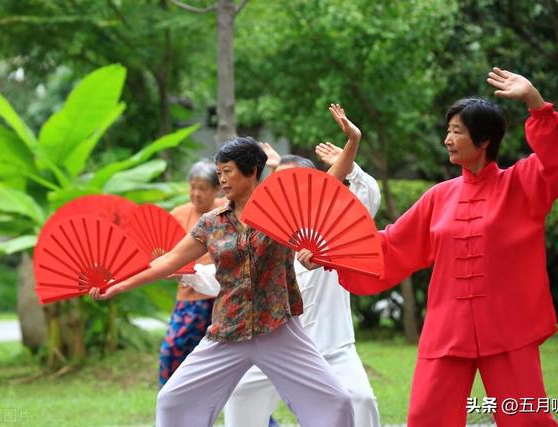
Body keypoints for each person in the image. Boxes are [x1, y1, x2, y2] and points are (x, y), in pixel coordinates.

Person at [316, 68, 558, 426]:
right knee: (427, 418)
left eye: (457, 131)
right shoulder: (439, 196)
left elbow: (553, 157)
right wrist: (331, 252)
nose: (447, 139)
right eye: (448, 131)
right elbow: (391, 246)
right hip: (447, 330)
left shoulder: (523, 185)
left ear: (483, 141)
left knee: (526, 420)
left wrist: (535, 102)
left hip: (509, 327)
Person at [90, 106, 360, 427]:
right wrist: (118, 284)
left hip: (278, 328)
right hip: (228, 332)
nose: (221, 179)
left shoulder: (282, 211)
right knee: (172, 400)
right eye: (219, 172)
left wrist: (353, 139)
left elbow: (330, 182)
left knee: (337, 401)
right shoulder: (211, 223)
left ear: (251, 173)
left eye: (227, 171)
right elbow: (169, 261)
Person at [224, 139, 382, 427]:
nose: (288, 191)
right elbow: (232, 277)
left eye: (296, 182)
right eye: (280, 182)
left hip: (333, 347)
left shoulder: (335, 225)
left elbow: (366, 200)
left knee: (361, 400)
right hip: (280, 348)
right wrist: (191, 273)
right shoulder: (264, 230)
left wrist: (351, 166)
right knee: (240, 394)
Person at [158, 160, 225, 388]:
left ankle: (264, 421)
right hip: (190, 298)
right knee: (172, 352)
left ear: (216, 190)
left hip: (225, 298)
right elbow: (162, 251)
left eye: (203, 188)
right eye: (192, 187)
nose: (196, 194)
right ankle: (169, 408)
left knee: (235, 363)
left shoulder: (228, 208)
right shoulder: (178, 214)